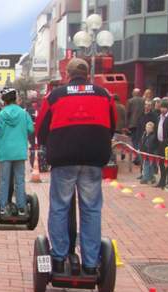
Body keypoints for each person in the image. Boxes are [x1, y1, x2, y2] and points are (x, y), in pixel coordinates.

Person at [35, 58, 115, 275]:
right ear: (88, 74)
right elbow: (112, 127)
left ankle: (59, 258)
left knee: (60, 206)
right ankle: (90, 263)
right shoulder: (103, 95)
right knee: (91, 209)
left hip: (64, 158)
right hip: (93, 157)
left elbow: (40, 128)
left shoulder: (55, 96)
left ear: (67, 75)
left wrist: (46, 144)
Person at [0, 88, 33, 217]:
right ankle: (21, 208)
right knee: (20, 180)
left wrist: (2, 139)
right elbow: (30, 129)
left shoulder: (1, 115)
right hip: (20, 151)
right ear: (16, 99)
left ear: (4, 101)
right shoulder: (23, 113)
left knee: (4, 180)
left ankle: (2, 208)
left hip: (5, 152)